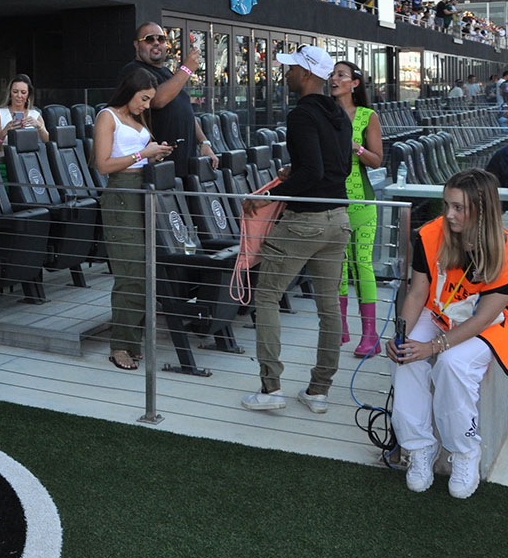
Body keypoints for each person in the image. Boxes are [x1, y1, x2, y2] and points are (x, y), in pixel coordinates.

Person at [389, 169, 508, 499]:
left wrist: (434, 346)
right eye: (447, 205)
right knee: (405, 355)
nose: (449, 214)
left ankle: (465, 451)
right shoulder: (430, 235)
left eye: (459, 208)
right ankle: (419, 447)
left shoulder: (507, 252)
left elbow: (484, 318)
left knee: (452, 364)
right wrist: (401, 336)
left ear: (483, 209)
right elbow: (418, 291)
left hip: (490, 326)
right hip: (439, 314)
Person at [241, 44, 351, 413]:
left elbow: (313, 173)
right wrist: (297, 171)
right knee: (328, 309)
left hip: (305, 221)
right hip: (339, 220)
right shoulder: (339, 113)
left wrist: (269, 197)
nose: (285, 74)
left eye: (290, 69)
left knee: (267, 296)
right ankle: (318, 391)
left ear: (306, 74)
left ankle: (271, 390)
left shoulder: (302, 114)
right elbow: (337, 171)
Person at [94, 68, 173, 370]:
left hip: (143, 193)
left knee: (143, 272)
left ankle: (131, 341)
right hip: (122, 196)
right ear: (130, 91)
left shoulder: (136, 118)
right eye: (143, 99)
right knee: (130, 272)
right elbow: (103, 165)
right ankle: (120, 345)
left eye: (150, 100)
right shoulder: (107, 116)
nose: (146, 106)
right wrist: (143, 155)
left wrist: (154, 154)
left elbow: (136, 154)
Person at [330, 60, 383, 357]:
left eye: (341, 75)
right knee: (336, 268)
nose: (334, 79)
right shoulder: (327, 114)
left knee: (361, 266)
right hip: (334, 203)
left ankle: (370, 335)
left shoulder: (367, 116)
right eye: (333, 74)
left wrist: (356, 148)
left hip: (362, 203)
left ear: (355, 83)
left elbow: (377, 159)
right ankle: (340, 328)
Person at [119, 22, 217, 174]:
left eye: (161, 39)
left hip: (185, 163)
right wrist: (186, 69)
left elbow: (186, 111)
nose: (156, 43)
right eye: (149, 39)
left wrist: (204, 143)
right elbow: (157, 100)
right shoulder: (133, 70)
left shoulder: (168, 73)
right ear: (137, 45)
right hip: (158, 166)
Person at [0, 74, 49, 149]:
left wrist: (40, 127)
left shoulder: (35, 115)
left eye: (23, 92)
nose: (19, 96)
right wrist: (4, 132)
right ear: (10, 93)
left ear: (28, 95)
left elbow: (48, 142)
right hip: (6, 157)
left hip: (29, 157)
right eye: (15, 91)